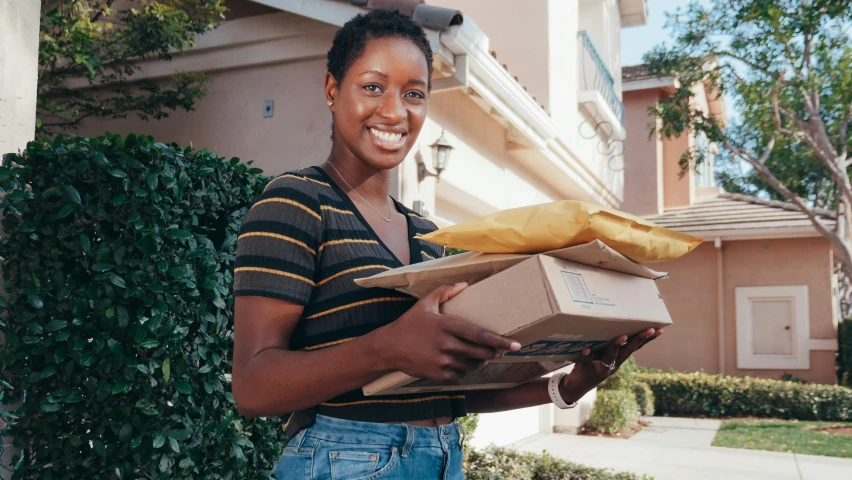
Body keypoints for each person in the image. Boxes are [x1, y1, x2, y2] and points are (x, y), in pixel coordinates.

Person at [231, 9, 662, 480]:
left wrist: (568, 385)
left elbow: (450, 392)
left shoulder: (428, 237)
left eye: (414, 93)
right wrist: (386, 348)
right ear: (333, 90)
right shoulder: (296, 203)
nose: (395, 111)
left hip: (441, 458)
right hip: (343, 458)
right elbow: (253, 389)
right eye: (373, 86)